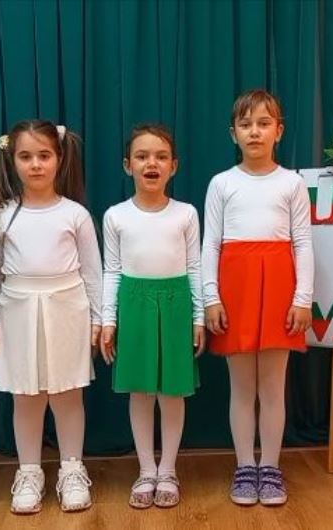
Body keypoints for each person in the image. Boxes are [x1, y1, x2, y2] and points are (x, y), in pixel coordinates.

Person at [201, 90, 314, 506]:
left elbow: (303, 243)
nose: (254, 132)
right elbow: (211, 244)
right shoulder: (222, 183)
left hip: (280, 288)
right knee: (241, 387)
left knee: (272, 386)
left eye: (263, 124)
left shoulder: (292, 183)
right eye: (246, 124)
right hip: (236, 289)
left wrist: (302, 298)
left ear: (278, 131)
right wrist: (211, 297)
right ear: (233, 133)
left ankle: (270, 466)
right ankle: (245, 466)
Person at [0, 120, 102, 514]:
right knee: (27, 396)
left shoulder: (75, 215)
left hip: (68, 309)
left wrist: (99, 319)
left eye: (44, 155)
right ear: (12, 160)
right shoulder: (3, 215)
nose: (35, 164)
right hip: (17, 311)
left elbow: (93, 273)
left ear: (59, 158)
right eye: (26, 156)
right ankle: (29, 472)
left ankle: (72, 469)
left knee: (67, 394)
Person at [101, 124, 205, 509]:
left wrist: (198, 316)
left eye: (161, 157)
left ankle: (168, 470)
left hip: (176, 304)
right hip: (134, 304)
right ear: (127, 165)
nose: (151, 163)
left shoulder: (186, 214)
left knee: (172, 391)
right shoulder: (115, 216)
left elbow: (195, 266)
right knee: (141, 391)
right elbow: (112, 270)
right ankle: (146, 469)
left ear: (173, 166)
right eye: (142, 156)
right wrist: (108, 319)